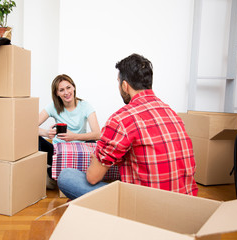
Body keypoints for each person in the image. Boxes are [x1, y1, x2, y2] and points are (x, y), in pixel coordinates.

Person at [58, 54, 198, 199]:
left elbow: (92, 177)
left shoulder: (121, 119)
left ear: (125, 85)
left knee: (67, 177)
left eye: (119, 82)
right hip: (185, 202)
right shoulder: (172, 113)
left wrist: (96, 158)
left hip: (145, 205)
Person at [38, 74, 101, 189]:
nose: (66, 92)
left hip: (79, 152)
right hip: (58, 152)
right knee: (35, 138)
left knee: (92, 141)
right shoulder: (53, 107)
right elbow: (27, 127)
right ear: (56, 93)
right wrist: (46, 133)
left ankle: (53, 173)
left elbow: (98, 134)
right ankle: (57, 169)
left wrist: (74, 136)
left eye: (68, 87)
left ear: (74, 87)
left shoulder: (85, 106)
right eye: (61, 90)